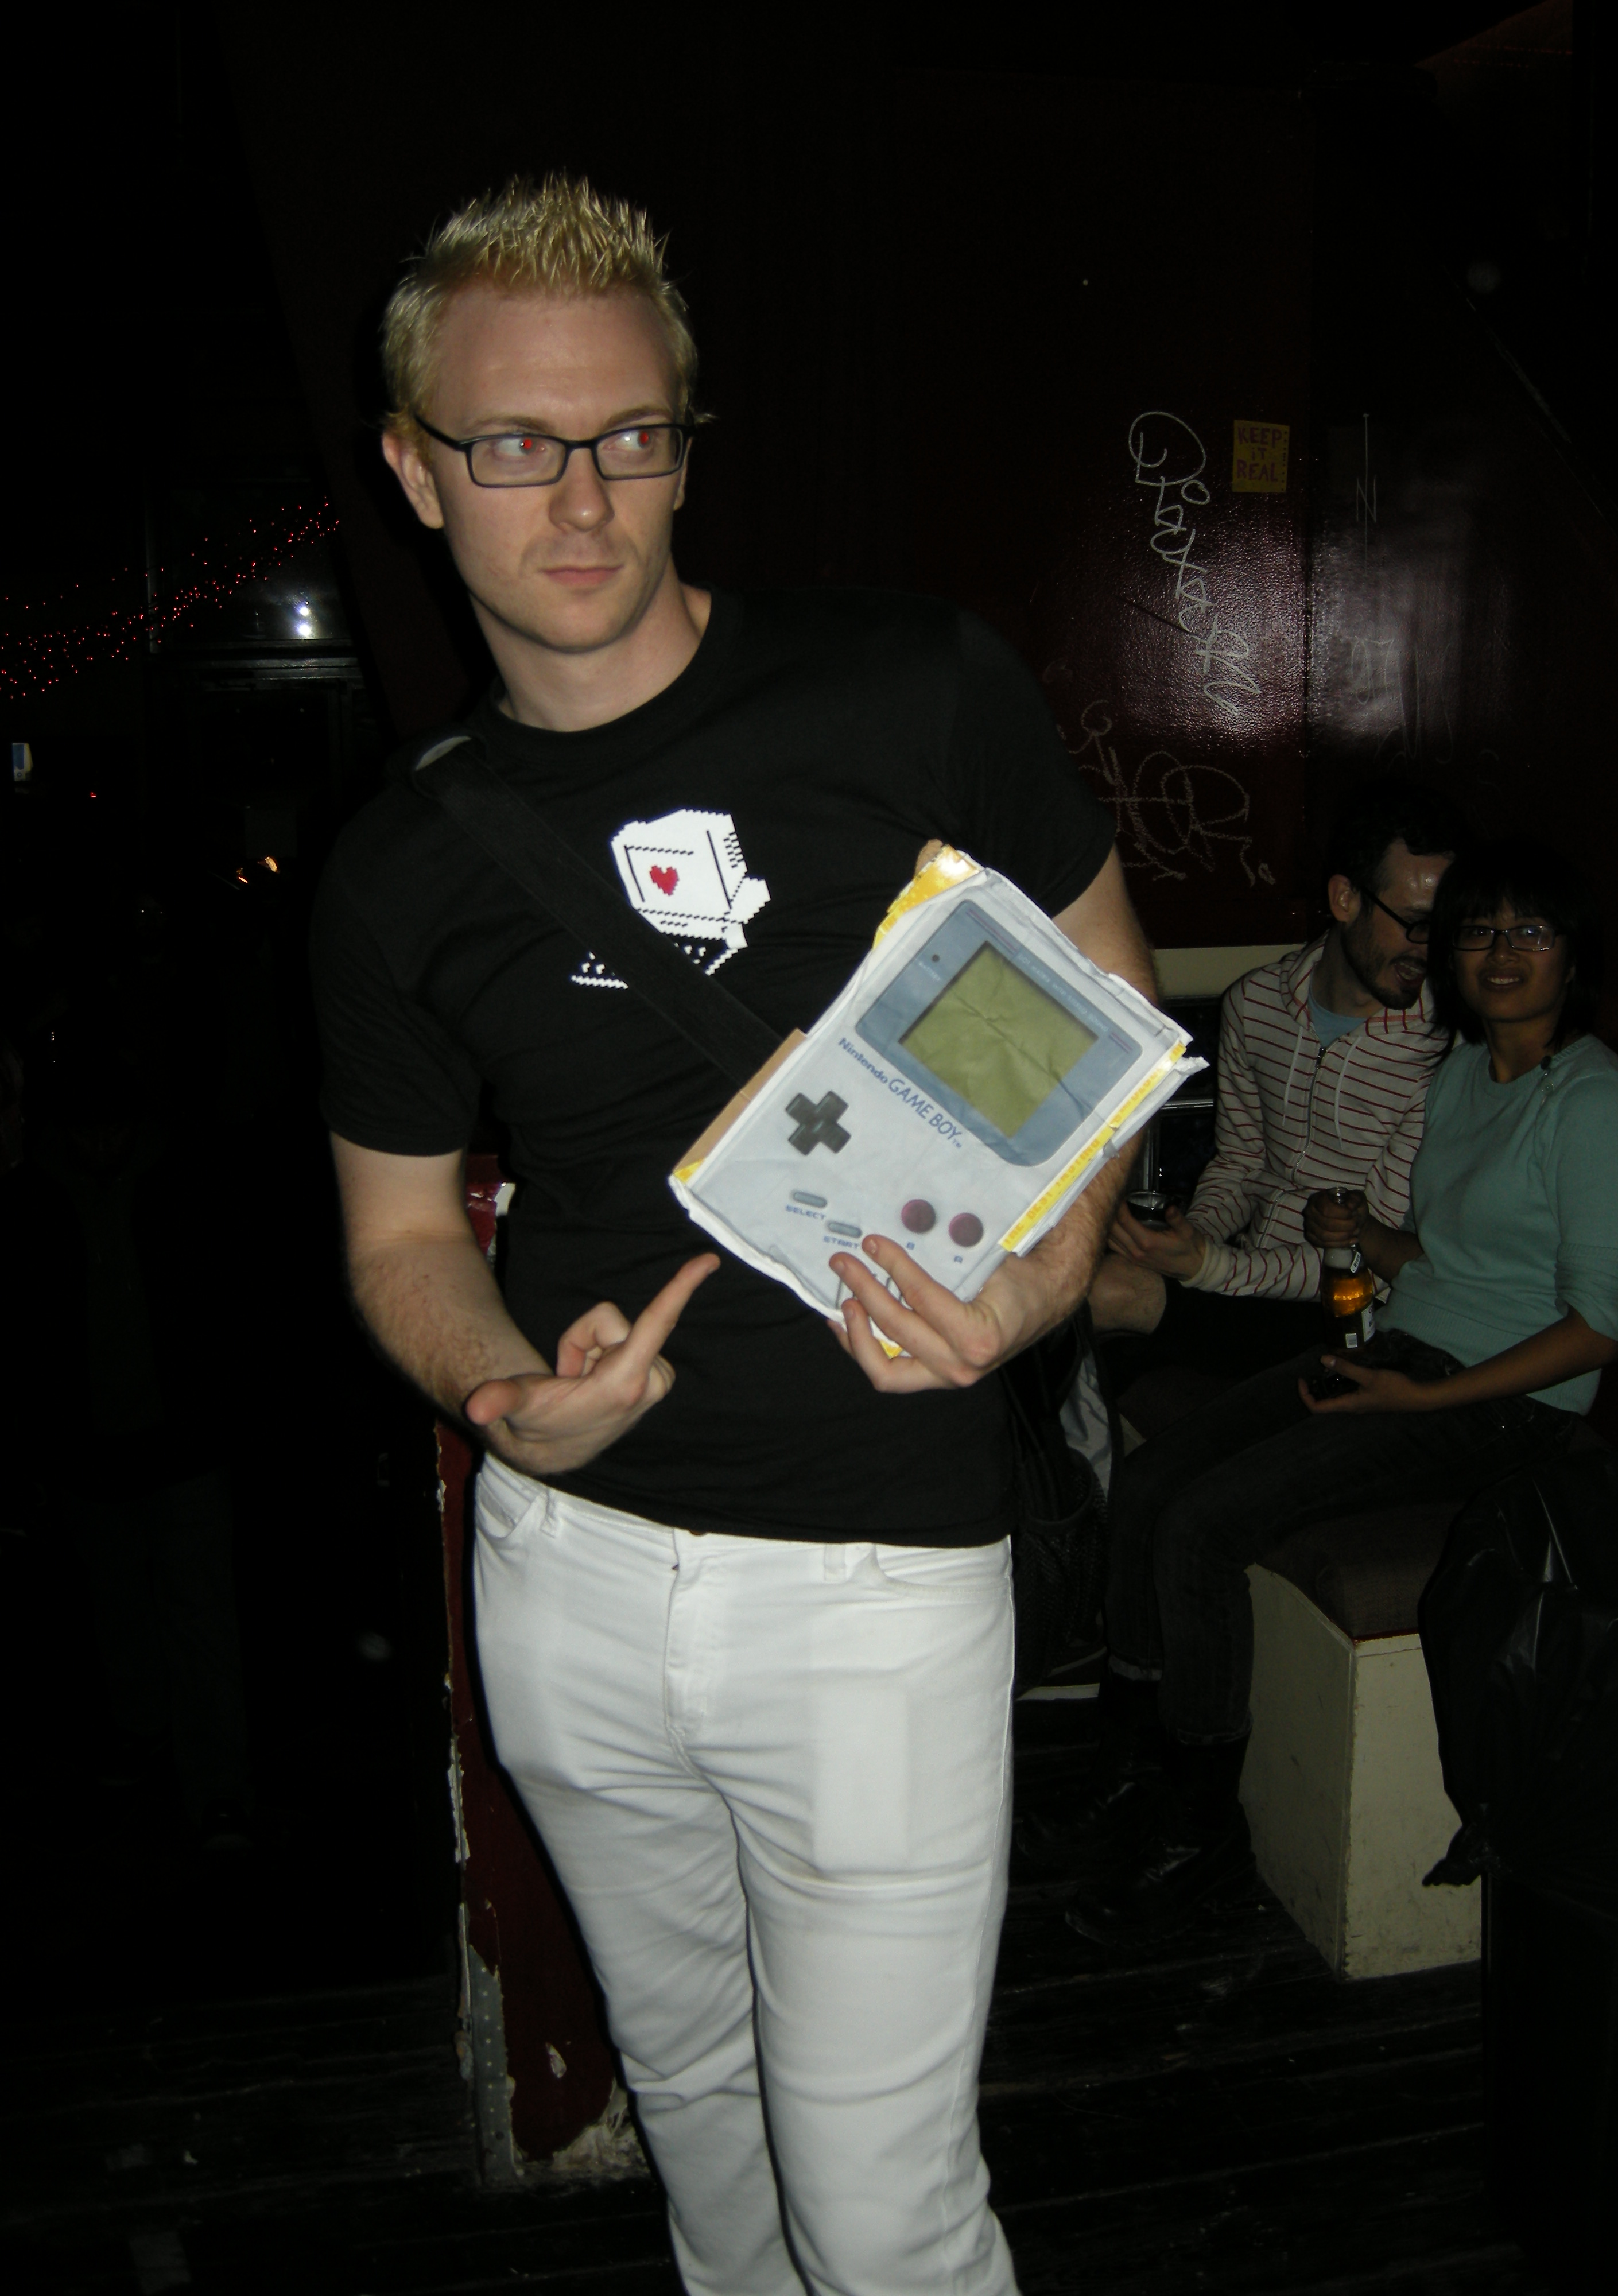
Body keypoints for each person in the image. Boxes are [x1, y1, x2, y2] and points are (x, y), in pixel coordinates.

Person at [310, 176, 1157, 2296]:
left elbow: (1102, 1019)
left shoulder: (910, 687)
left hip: (873, 1577)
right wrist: (504, 1390)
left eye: (628, 433)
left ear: (686, 443)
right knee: (698, 2127)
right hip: (569, 1583)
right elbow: (401, 1232)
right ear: (415, 468)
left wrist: (1040, 1280)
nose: (581, 495)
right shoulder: (397, 861)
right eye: (514, 441)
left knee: (881, 2216)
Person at [1061, 836, 1618, 1946]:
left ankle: (1203, 1829)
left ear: (1575, 957)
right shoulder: (1466, 1074)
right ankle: (1132, 1762)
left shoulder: (1595, 1104)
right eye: (1478, 931)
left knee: (1204, 1525)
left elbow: (1597, 1329)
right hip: (1407, 1348)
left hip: (1505, 1407)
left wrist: (1429, 1403)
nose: (1499, 953)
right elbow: (1450, 1259)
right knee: (1152, 1485)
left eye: (1530, 932)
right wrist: (1367, 1236)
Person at [1091, 777, 1466, 1365]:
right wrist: (1185, 1238)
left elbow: (1370, 1249)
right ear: (1345, 900)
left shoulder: (1441, 1050)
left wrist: (1208, 1266)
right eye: (1417, 923)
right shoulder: (1255, 1002)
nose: (1432, 949)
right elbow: (1240, 1166)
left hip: (1347, 1307)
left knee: (1106, 1295)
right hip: (1245, 1274)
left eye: (1448, 927)